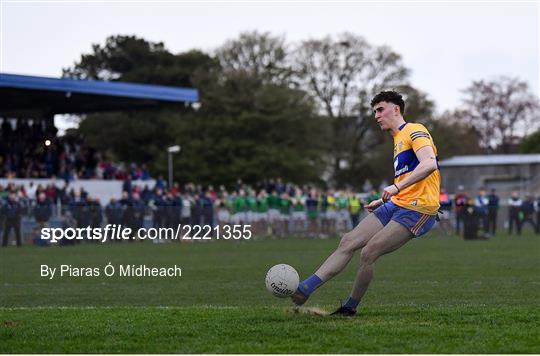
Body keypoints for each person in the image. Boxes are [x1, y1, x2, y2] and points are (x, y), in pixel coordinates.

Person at [291, 91, 440, 316]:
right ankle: (304, 289)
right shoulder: (397, 139)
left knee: (369, 252)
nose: (376, 116)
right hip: (398, 203)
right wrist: (382, 200)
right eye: (374, 112)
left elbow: (429, 164)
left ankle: (349, 308)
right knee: (348, 241)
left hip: (419, 209)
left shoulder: (414, 130)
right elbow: (409, 177)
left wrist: (395, 188)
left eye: (380, 110)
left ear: (396, 109)